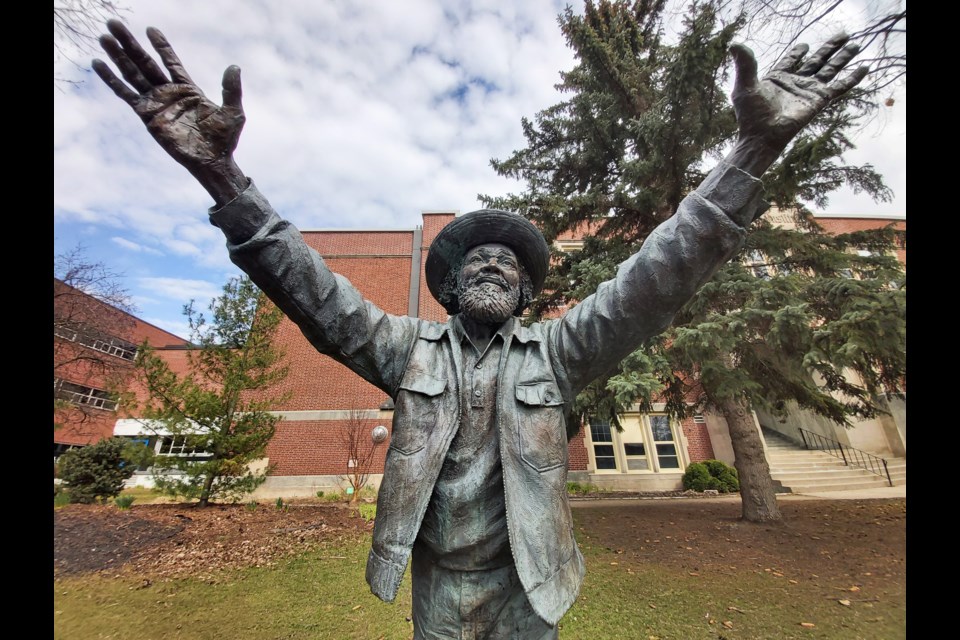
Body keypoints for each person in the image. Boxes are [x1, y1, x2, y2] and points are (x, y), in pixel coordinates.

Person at [93, 19, 867, 639]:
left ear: (528, 291)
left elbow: (656, 277)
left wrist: (756, 147)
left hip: (532, 588)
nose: (492, 265)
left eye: (509, 263)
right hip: (438, 589)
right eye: (476, 262)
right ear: (451, 285)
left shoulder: (560, 355)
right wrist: (223, 176)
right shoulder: (403, 349)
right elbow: (313, 291)